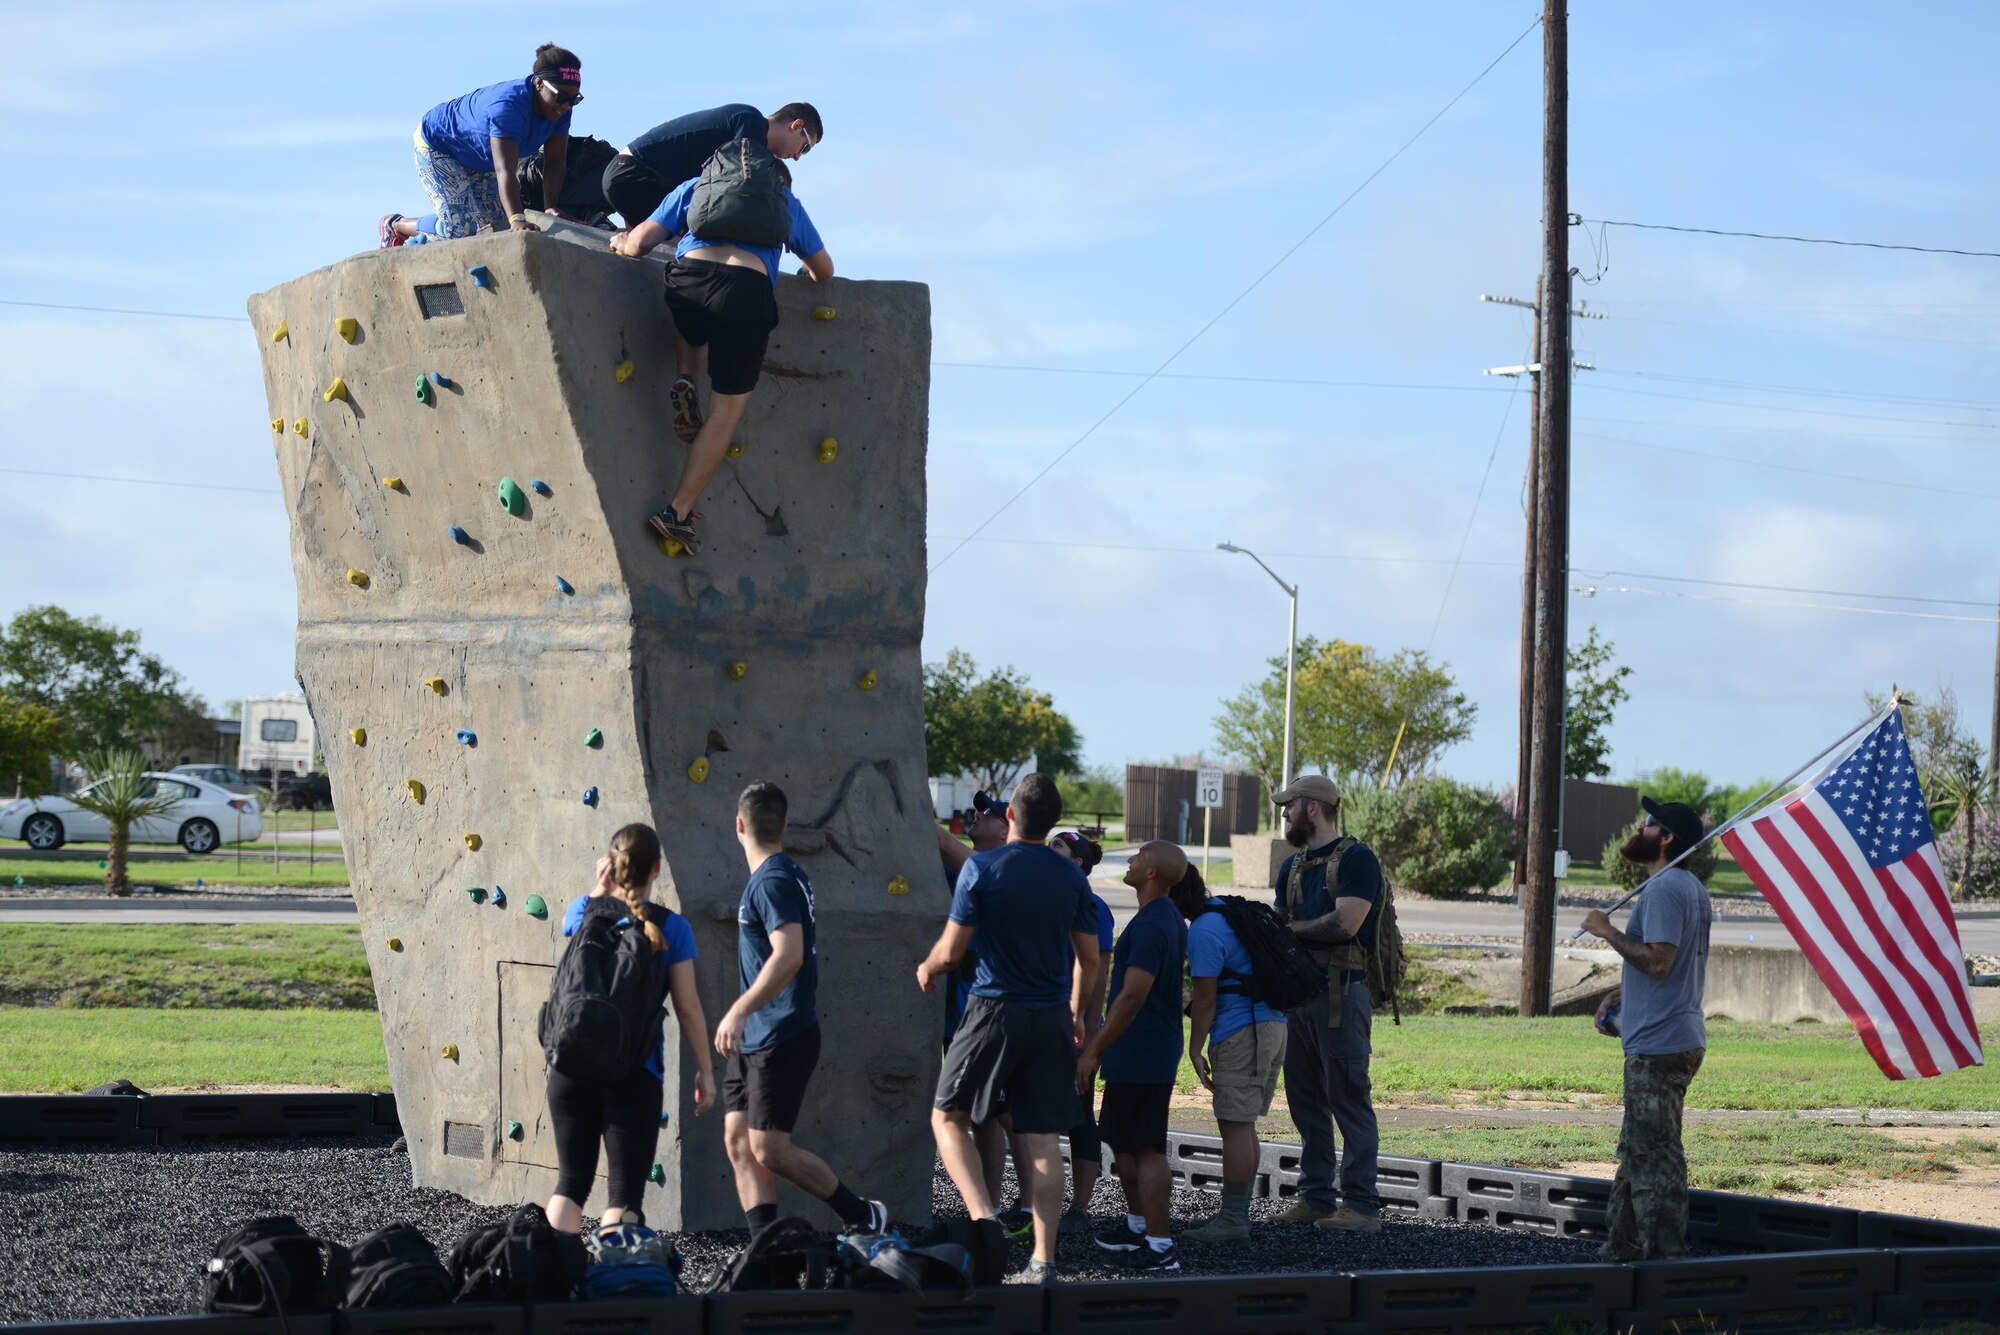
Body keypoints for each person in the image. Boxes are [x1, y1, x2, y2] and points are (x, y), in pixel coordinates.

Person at [918, 772, 1101, 1283]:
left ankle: (986, 1222)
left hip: (993, 1009)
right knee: (1042, 1138)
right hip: (1051, 1018)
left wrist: (927, 969)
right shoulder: (1071, 878)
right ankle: (1043, 1261)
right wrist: (1074, 1010)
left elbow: (953, 951)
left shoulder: (981, 868)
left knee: (947, 1116)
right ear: (1051, 823)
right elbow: (1089, 958)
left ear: (1013, 817)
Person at [609, 161, 834, 557]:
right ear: (774, 181)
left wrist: (620, 242)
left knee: (695, 315)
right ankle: (677, 512)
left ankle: (685, 376)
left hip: (688, 281)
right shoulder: (785, 201)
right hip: (747, 291)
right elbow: (824, 271)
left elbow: (640, 243)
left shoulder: (697, 185)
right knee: (726, 410)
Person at [716, 782, 887, 1234]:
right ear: (785, 825)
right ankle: (765, 1246)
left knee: (769, 1148)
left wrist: (739, 1009)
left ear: (738, 826)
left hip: (781, 1033)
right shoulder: (779, 874)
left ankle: (862, 1215)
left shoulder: (773, 880)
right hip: (754, 1035)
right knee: (738, 1141)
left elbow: (788, 955)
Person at [602, 103, 823, 443]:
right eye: (804, 148)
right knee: (691, 249)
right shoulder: (751, 127)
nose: (797, 157)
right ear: (796, 126)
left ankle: (685, 375)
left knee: (694, 268)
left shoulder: (744, 134)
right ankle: (688, 374)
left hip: (638, 179)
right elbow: (736, 192)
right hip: (636, 175)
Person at [545, 824, 715, 1238]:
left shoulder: (581, 910)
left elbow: (584, 920)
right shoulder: (672, 928)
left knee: (570, 1184)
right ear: (657, 868)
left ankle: (549, 1283)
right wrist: (706, 1072)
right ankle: (614, 1288)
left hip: (570, 1067)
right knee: (623, 1197)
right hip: (635, 1072)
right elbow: (688, 1008)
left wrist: (598, 889)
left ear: (610, 864)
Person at [1581, 797, 1713, 1262]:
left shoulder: (1663, 890)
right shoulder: (1689, 886)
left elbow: (1657, 961)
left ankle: (1664, 1260)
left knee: (1656, 1156)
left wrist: (1607, 932)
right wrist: (1624, 991)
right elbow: (1668, 964)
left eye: (1650, 822)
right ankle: (1620, 1246)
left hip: (1660, 1045)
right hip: (1674, 1035)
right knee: (1640, 1146)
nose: (1641, 824)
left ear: (1667, 838)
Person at [1271, 774, 1384, 1232]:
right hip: (1297, 998)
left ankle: (1360, 1206)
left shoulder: (1358, 859)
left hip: (1342, 995)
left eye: (1289, 805)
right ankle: (1317, 1197)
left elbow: (1347, 924)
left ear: (1312, 808)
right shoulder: (1292, 866)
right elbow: (1277, 923)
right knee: (1305, 1100)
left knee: (1348, 1098)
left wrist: (1289, 930)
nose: (1284, 812)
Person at [1077, 840, 1188, 1273]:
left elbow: (1132, 996)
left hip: (1143, 1052)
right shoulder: (1161, 918)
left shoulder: (1151, 925)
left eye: (1138, 856)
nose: (1130, 860)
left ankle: (1161, 1249)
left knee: (1145, 1148)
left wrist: (1094, 1050)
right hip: (1136, 1051)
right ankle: (1139, 1227)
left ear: (1153, 873)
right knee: (1124, 1143)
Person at [1171, 864, 1286, 1245]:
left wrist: (1194, 1047)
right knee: (1242, 1123)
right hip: (1269, 1023)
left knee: (1234, 1125)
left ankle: (1234, 1220)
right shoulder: (1222, 909)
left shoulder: (1202, 931)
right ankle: (1234, 1214)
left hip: (1243, 1031)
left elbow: (1205, 998)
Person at [380, 44, 580, 246]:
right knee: (461, 229)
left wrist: (550, 207)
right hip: (440, 146)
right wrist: (517, 218)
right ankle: (396, 225)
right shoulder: (508, 108)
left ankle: (425, 238)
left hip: (479, 156)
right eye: (561, 97)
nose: (566, 106)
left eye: (574, 99)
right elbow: (505, 170)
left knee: (495, 225)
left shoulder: (561, 110)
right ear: (538, 84)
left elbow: (554, 162)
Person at [1049, 829, 1115, 1233]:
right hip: (1041, 1022)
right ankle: (1033, 1201)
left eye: (1058, 846)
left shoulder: (1094, 907)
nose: (1049, 849)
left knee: (1079, 1116)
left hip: (1076, 1029)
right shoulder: (1042, 900)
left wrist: (1090, 1032)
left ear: (1077, 864)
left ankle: (1081, 1206)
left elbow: (1100, 973)